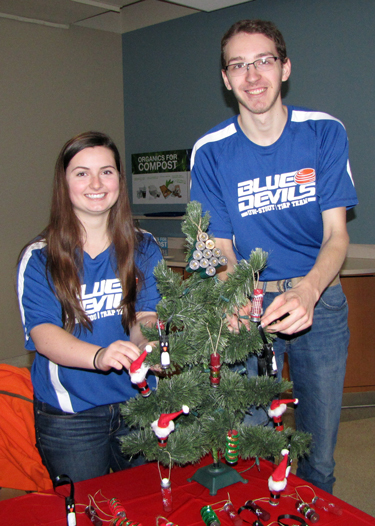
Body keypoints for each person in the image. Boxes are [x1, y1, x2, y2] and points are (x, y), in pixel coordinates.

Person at [190, 19, 358, 493]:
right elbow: (216, 248)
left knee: (317, 453)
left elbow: (337, 237)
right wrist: (232, 295)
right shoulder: (211, 152)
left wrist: (308, 289)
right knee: (251, 446)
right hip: (248, 309)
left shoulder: (323, 133)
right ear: (226, 79)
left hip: (318, 300)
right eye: (238, 65)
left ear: (285, 68)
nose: (252, 76)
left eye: (263, 61)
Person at [17, 131, 162, 483]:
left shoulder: (144, 246)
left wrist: (146, 345)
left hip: (139, 404)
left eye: (107, 172)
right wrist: (100, 357)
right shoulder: (39, 258)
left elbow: (144, 315)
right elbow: (44, 335)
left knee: (149, 502)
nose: (96, 183)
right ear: (63, 183)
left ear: (119, 180)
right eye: (82, 173)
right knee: (84, 509)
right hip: (72, 416)